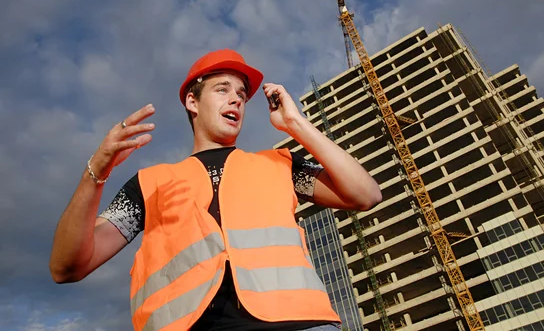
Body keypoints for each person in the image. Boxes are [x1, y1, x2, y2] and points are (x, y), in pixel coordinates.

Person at [49, 49, 382, 331]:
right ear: (192, 102)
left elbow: (365, 194)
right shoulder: (149, 184)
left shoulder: (280, 165)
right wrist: (97, 169)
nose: (236, 99)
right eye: (223, 89)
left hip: (299, 323)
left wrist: (296, 125)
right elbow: (67, 267)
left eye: (241, 94)